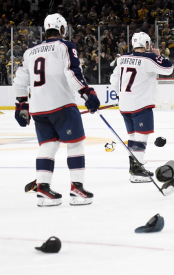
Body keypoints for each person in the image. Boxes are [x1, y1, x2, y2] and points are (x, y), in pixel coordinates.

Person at [13, 13, 99, 207]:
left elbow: (19, 81)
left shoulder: (30, 52)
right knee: (76, 144)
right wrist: (87, 92)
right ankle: (77, 188)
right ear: (62, 29)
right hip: (62, 105)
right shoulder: (65, 46)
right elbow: (72, 72)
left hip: (38, 109)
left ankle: (43, 189)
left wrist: (21, 105)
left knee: (48, 145)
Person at [110, 32, 174, 182]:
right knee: (141, 136)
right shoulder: (149, 58)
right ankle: (137, 170)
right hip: (141, 104)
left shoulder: (122, 58)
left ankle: (134, 167)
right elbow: (168, 69)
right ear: (146, 44)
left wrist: (120, 95)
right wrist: (159, 55)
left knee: (132, 136)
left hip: (124, 105)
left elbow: (114, 80)